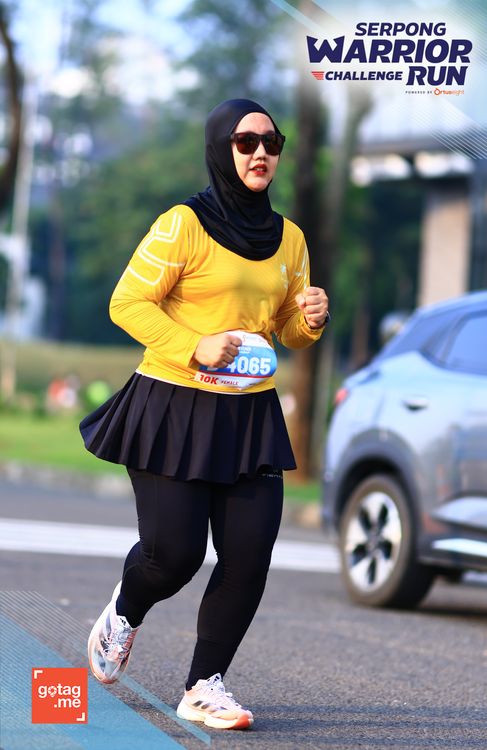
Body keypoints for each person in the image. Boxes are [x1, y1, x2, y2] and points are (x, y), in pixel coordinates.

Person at [80, 98, 329, 731]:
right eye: (246, 142)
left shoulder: (290, 238)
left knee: (249, 555)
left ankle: (204, 686)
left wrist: (309, 320)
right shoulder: (182, 225)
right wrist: (195, 345)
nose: (261, 153)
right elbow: (127, 302)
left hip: (250, 416)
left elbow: (285, 329)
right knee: (174, 556)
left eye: (272, 142)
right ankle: (125, 610)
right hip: (173, 406)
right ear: (221, 148)